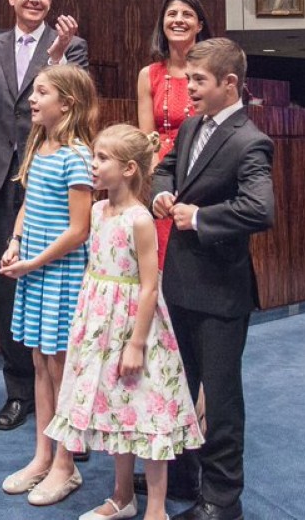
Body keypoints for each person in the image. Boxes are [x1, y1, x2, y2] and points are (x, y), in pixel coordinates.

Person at [47, 124, 204, 520]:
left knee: (147, 412)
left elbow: (150, 286)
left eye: (102, 159)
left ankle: (155, 509)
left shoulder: (139, 219)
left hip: (137, 326)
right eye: (94, 156)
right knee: (116, 410)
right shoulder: (98, 211)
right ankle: (121, 497)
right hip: (100, 324)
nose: (93, 166)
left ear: (130, 168)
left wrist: (135, 342)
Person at [0, 0, 89, 432]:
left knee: (56, 288)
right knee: (6, 289)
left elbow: (80, 104)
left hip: (50, 182)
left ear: (50, 2)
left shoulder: (70, 46)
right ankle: (19, 392)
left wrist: (56, 58)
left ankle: (67, 397)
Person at [151, 38, 275, 520]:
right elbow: (165, 169)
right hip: (179, 282)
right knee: (177, 387)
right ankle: (181, 475)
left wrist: (200, 217)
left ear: (229, 84)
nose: (188, 89)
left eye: (198, 81)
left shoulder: (251, 140)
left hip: (221, 294)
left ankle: (222, 500)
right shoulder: (190, 126)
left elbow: (260, 209)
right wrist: (162, 195)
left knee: (220, 401)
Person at [0, 66, 96, 507]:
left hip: (62, 273)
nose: (32, 99)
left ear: (67, 104)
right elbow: (27, 206)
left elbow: (80, 228)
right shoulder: (40, 146)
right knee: (39, 364)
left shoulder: (77, 155)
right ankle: (42, 456)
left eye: (41, 93)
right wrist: (15, 243)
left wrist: (34, 260)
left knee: (62, 371)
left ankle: (66, 464)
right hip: (34, 270)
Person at [137, 0, 212, 269]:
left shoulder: (212, 71)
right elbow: (148, 138)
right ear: (163, 22)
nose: (178, 20)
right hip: (162, 177)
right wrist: (159, 183)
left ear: (200, 25)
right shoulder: (149, 74)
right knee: (162, 263)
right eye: (172, 14)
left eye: (187, 14)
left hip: (203, 169)